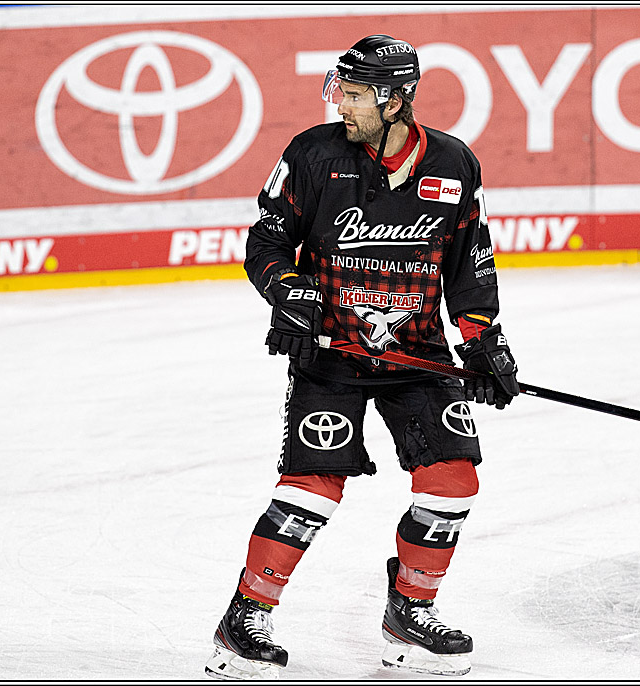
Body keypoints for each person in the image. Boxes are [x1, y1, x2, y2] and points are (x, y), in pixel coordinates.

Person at [204, 35, 519, 680]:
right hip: (331, 352)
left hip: (418, 353)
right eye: (339, 92)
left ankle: (411, 612)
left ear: (393, 99)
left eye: (352, 95)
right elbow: (266, 242)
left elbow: (470, 261)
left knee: (453, 480)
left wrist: (484, 340)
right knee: (312, 490)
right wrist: (290, 295)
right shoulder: (313, 154)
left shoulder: (455, 164)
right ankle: (246, 618)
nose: (340, 105)